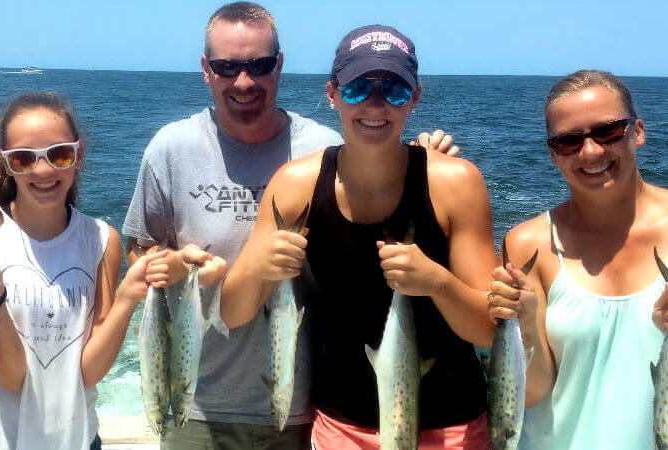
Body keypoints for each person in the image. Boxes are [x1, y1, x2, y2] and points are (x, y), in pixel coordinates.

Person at [123, 4, 457, 448]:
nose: (244, 81)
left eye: (259, 65)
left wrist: (423, 162)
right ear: (206, 70)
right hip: (198, 402)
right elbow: (139, 255)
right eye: (227, 67)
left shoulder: (324, 148)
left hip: (305, 404)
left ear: (279, 65)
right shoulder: (169, 150)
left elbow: (378, 167)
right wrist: (175, 265)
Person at [221, 24, 497, 449]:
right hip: (341, 429)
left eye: (395, 90)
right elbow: (233, 312)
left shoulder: (457, 184)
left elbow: (489, 329)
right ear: (332, 93)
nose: (375, 104)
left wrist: (437, 282)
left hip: (452, 430)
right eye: (357, 89)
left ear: (416, 98)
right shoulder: (295, 185)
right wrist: (259, 267)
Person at [487, 70, 668, 449]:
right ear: (553, 155)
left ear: (638, 132)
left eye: (608, 131)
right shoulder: (526, 243)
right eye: (569, 141)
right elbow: (531, 394)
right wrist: (527, 327)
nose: (591, 151)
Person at [0, 92, 160, 449]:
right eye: (24, 159)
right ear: (7, 164)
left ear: (78, 157)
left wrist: (128, 299)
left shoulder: (102, 240)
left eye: (59, 155)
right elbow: (9, 377)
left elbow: (89, 372)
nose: (43, 170)